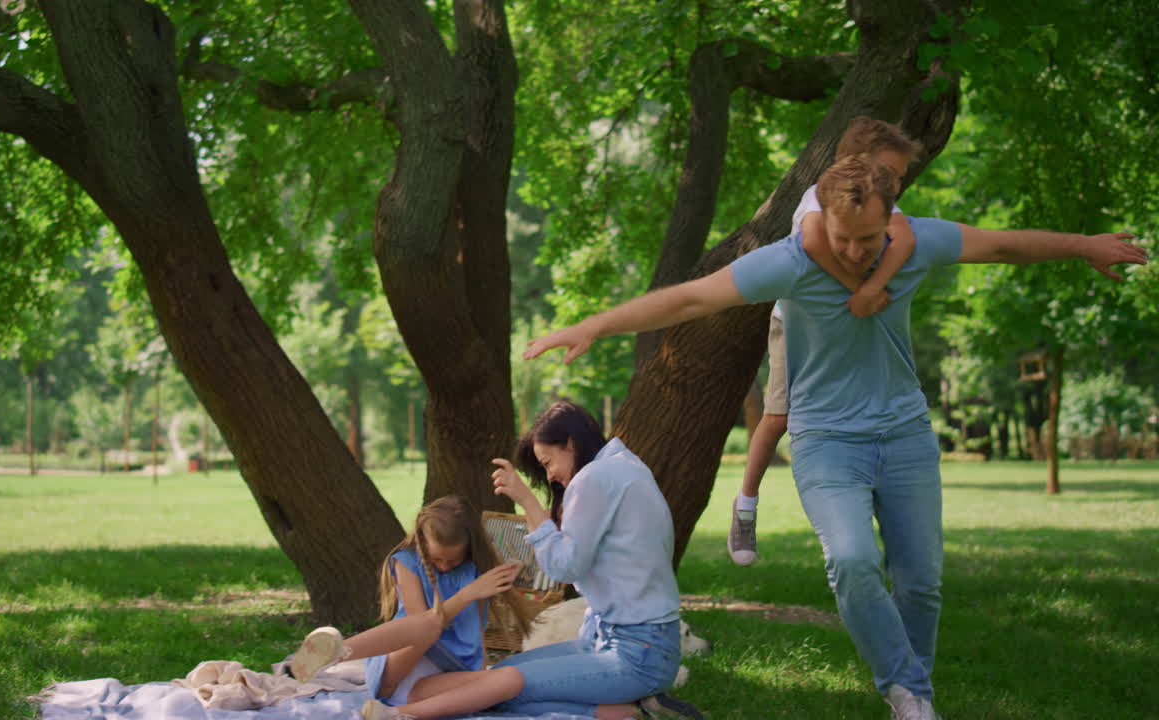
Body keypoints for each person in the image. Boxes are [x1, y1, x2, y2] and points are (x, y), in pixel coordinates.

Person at [523, 153, 1146, 719]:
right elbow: (689, 299)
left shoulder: (916, 241)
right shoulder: (793, 262)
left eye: (869, 239)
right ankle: (906, 690)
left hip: (903, 431)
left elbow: (1004, 247)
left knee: (920, 580)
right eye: (843, 239)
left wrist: (1084, 244)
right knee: (850, 559)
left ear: (892, 220)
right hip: (826, 438)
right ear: (822, 219)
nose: (853, 252)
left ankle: (913, 696)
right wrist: (594, 325)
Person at [361, 401, 703, 720]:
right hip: (622, 641)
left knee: (499, 690)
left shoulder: (595, 478)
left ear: (570, 444)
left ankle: (399, 717)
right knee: (500, 679)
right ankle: (624, 708)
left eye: (547, 462)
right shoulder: (623, 465)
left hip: (635, 653)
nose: (550, 475)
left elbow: (563, 567)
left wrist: (526, 499)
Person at [731, 116, 921, 567]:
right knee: (778, 418)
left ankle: (873, 511)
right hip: (798, 323)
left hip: (848, 322)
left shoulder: (878, 207)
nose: (896, 184)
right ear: (855, 166)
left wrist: (873, 289)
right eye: (890, 174)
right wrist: (856, 285)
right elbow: (815, 241)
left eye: (898, 178)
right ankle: (745, 506)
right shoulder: (816, 197)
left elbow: (906, 238)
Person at [288, 495, 531, 710]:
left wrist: (480, 676)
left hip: (431, 685)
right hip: (398, 673)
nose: (445, 567)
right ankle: (334, 652)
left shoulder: (476, 572)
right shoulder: (407, 562)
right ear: (423, 544)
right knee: (427, 626)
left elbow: (476, 633)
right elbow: (422, 628)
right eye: (437, 559)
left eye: (453, 562)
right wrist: (467, 594)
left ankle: (396, 716)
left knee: (510, 678)